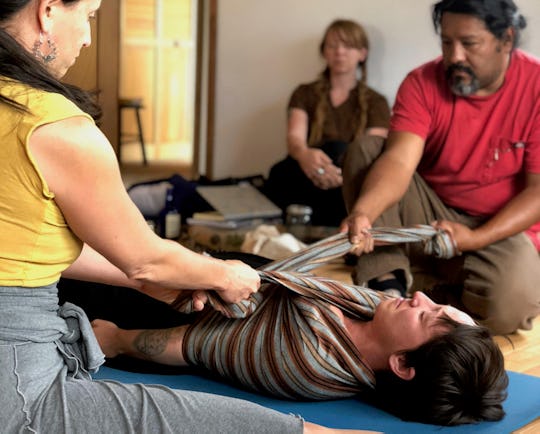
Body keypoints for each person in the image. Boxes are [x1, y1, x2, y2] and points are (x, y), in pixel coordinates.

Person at [0, 1, 373, 433]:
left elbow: (26, 250)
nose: (86, 37)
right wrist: (222, 274)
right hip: (19, 391)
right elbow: (146, 259)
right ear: (47, 10)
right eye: (89, 16)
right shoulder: (57, 128)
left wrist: (154, 280)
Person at [341, 0, 540, 335]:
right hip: (429, 213)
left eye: (469, 43)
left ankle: (430, 294)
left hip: (495, 226)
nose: (455, 56)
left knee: (513, 310)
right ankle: (386, 282)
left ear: (506, 39)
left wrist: (475, 239)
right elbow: (398, 161)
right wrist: (363, 212)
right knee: (368, 149)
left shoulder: (536, 86)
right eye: (446, 42)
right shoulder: (421, 82)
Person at [92, 281, 508, 427]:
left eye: (426, 315)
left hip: (172, 310)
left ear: (401, 364)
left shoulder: (307, 362)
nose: (419, 296)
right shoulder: (379, 313)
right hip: (233, 280)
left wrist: (117, 340)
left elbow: (196, 345)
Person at [264, 19, 390, 228]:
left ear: (362, 53)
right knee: (279, 172)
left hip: (347, 179)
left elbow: (373, 149)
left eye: (347, 46)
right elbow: (295, 138)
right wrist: (305, 156)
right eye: (332, 45)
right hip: (306, 172)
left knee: (341, 152)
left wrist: (341, 177)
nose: (339, 51)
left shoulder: (376, 102)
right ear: (324, 51)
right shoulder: (304, 93)